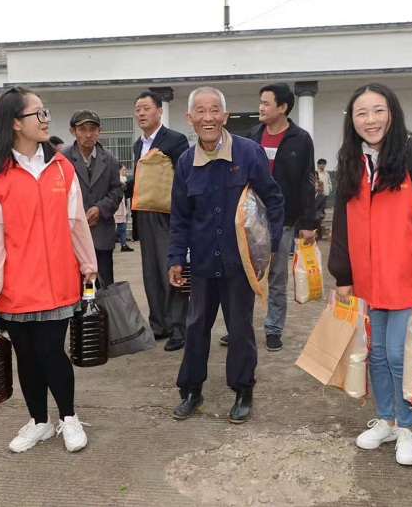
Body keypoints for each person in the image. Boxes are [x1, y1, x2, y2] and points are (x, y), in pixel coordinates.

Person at [328, 83, 412, 466]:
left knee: (401, 355)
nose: (371, 120)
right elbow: (341, 223)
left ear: (392, 113)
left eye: (378, 110)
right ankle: (385, 420)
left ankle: (406, 427)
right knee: (377, 353)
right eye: (361, 113)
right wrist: (343, 274)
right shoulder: (352, 161)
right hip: (368, 278)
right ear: (352, 120)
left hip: (408, 276)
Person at [0, 87, 98, 453]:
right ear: (15, 123)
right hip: (15, 286)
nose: (45, 120)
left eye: (46, 113)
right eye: (38, 114)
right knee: (26, 357)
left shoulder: (61, 167)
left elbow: (76, 221)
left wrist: (88, 263)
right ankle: (39, 421)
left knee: (51, 351)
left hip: (58, 281)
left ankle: (69, 418)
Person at [168, 86, 284, 424]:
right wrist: (176, 258)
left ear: (225, 116)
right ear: (190, 118)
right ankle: (192, 391)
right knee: (196, 327)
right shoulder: (186, 162)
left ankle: (243, 390)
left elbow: (273, 200)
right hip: (203, 263)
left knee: (240, 328)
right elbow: (180, 216)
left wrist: (270, 247)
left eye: (214, 110)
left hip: (239, 263)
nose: (208, 117)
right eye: (200, 111)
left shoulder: (248, 153)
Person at [243, 82, 317, 352]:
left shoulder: (300, 139)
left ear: (283, 107)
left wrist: (307, 223)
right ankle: (240, 327)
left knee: (276, 276)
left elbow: (308, 182)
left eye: (266, 103)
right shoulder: (252, 135)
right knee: (246, 274)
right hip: (251, 219)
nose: (260, 108)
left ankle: (273, 329)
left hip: (283, 220)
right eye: (260, 102)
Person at [132, 91, 190, 351]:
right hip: (145, 214)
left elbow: (185, 177)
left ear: (159, 111)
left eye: (146, 108)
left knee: (173, 268)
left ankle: (179, 328)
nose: (141, 113)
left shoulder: (175, 140)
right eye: (138, 109)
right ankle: (159, 324)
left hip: (168, 215)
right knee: (151, 272)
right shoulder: (138, 145)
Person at [63, 110, 123, 286]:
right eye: (82, 129)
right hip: (71, 235)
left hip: (101, 234)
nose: (88, 134)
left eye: (93, 129)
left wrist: (100, 208)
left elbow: (117, 190)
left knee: (104, 287)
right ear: (73, 131)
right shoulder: (63, 159)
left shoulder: (110, 160)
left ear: (99, 131)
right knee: (74, 286)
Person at [115, 164, 133, 252]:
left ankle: (123, 244)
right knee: (121, 227)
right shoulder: (118, 180)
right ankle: (112, 238)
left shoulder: (124, 180)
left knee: (123, 227)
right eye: (123, 170)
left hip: (124, 206)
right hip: (119, 207)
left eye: (126, 170)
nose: (125, 172)